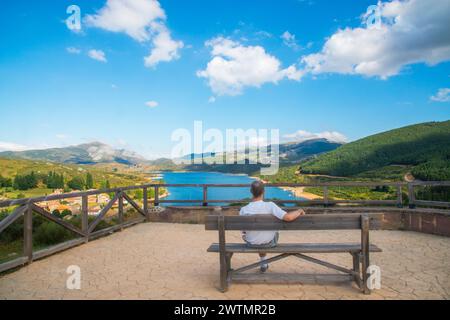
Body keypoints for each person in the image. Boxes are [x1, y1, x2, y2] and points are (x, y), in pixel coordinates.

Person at [240, 180, 305, 272]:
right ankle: (263, 262)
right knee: (269, 233)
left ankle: (263, 263)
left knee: (255, 234)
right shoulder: (270, 206)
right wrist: (299, 211)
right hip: (269, 243)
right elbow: (288, 218)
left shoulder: (243, 210)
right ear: (263, 192)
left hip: (251, 243)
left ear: (251, 191)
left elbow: (243, 231)